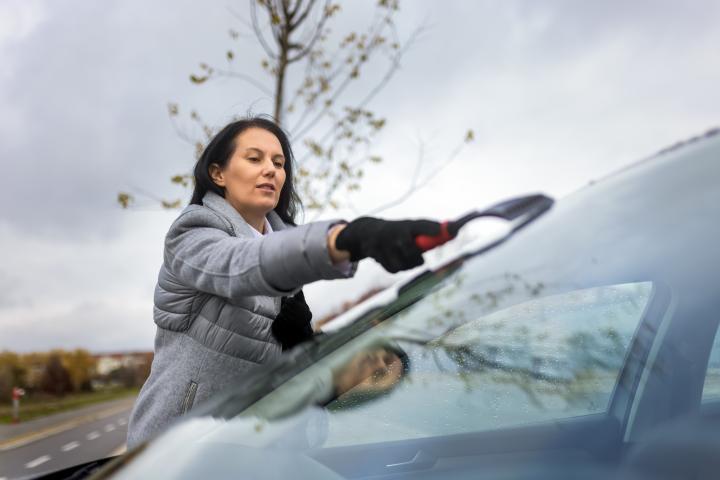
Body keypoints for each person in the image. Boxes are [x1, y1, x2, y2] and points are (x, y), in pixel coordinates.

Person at [126, 116, 441, 448]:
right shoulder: (191, 234)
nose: (271, 170)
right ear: (218, 173)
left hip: (248, 455)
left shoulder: (285, 252)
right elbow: (241, 263)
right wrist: (349, 239)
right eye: (254, 158)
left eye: (279, 163)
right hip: (173, 454)